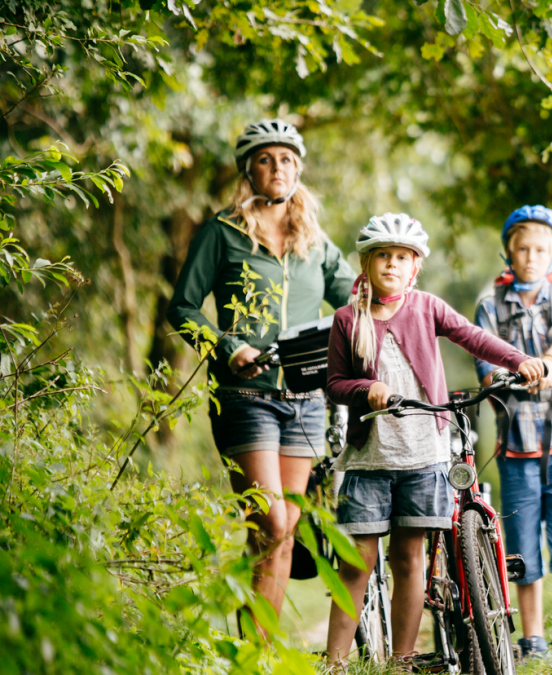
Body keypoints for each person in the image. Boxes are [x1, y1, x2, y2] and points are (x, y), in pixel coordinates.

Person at [324, 213, 545, 667]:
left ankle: (402, 660)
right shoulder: (348, 319)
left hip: (424, 455)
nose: (391, 264)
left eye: (401, 258)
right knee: (356, 565)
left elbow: (472, 336)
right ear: (365, 264)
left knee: (409, 560)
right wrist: (368, 389)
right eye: (382, 256)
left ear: (415, 267)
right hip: (369, 459)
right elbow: (333, 384)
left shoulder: (427, 307)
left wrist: (519, 359)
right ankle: (334, 662)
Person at [167, 119, 355, 636]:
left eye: (288, 159)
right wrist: (228, 347)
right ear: (248, 169)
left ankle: (258, 655)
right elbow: (182, 308)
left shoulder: (315, 244)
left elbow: (356, 303)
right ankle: (255, 653)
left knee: (283, 532)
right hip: (243, 396)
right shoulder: (221, 233)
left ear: (299, 169)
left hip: (305, 400)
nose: (279, 168)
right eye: (267, 159)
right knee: (270, 523)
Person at [473, 205, 552, 659]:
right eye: (522, 248)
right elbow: (487, 366)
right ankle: (533, 637)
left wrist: (548, 362)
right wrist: (528, 369)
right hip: (515, 446)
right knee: (522, 542)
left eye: (540, 249)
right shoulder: (490, 305)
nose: (530, 257)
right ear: (509, 250)